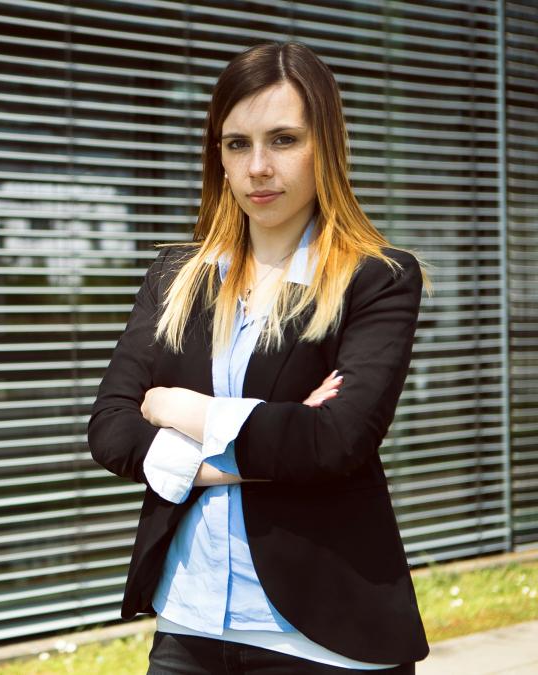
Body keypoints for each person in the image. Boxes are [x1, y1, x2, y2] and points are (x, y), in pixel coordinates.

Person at [87, 41, 432, 674]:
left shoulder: (377, 279)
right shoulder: (175, 278)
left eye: (283, 140)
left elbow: (336, 440)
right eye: (237, 144)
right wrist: (255, 444)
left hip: (322, 639)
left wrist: (180, 408)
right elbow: (110, 427)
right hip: (187, 622)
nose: (258, 167)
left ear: (325, 144)